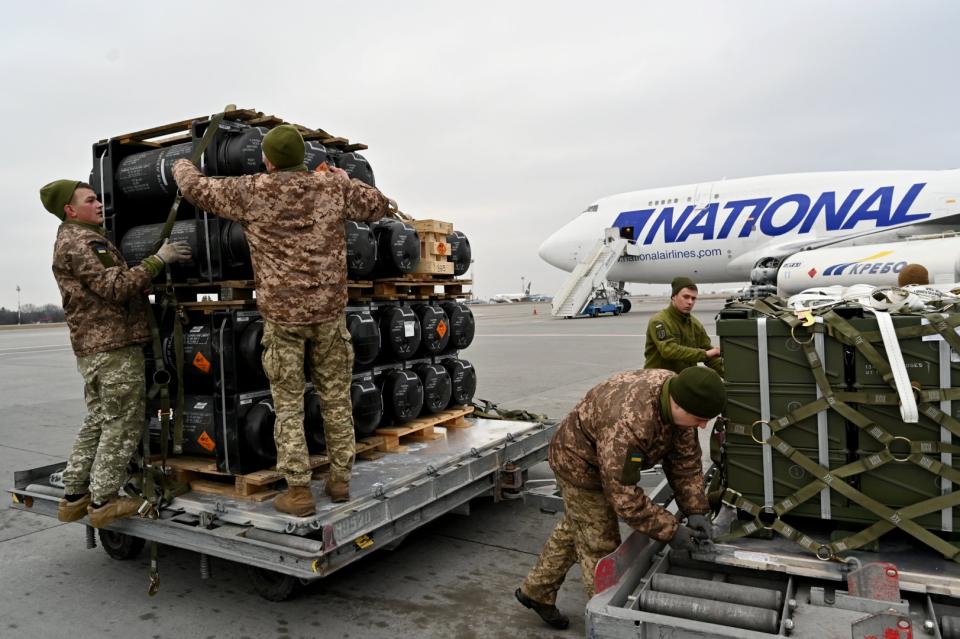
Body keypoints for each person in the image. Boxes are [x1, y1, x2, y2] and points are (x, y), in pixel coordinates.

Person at [172, 124, 389, 516]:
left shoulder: (251, 191)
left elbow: (197, 190)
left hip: (283, 318)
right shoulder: (333, 189)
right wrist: (345, 177)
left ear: (268, 160)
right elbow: (380, 206)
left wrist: (182, 166)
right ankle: (340, 481)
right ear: (303, 158)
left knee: (287, 404)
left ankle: (299, 491)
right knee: (336, 400)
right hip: (328, 315)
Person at [516, 366, 725, 630]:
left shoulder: (679, 397)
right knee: (600, 544)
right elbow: (624, 497)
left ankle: (536, 592)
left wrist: (695, 509)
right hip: (579, 464)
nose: (703, 425)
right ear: (680, 404)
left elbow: (684, 462)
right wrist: (671, 530)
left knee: (577, 527)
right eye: (699, 419)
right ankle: (606, 627)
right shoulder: (629, 421)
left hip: (605, 458)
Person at [41, 179, 191, 528]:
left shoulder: (72, 240)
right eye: (90, 200)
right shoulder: (83, 242)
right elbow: (115, 286)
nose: (98, 205)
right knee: (122, 421)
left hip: (94, 347)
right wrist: (158, 261)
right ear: (70, 209)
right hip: (113, 346)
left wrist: (144, 277)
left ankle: (75, 495)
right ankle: (104, 500)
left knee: (97, 419)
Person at [644, 276, 723, 376]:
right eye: (686, 297)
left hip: (683, 381)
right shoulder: (659, 321)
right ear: (674, 296)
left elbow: (710, 354)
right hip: (658, 381)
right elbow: (668, 350)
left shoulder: (695, 325)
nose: (690, 302)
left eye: (693, 298)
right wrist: (704, 354)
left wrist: (732, 374)